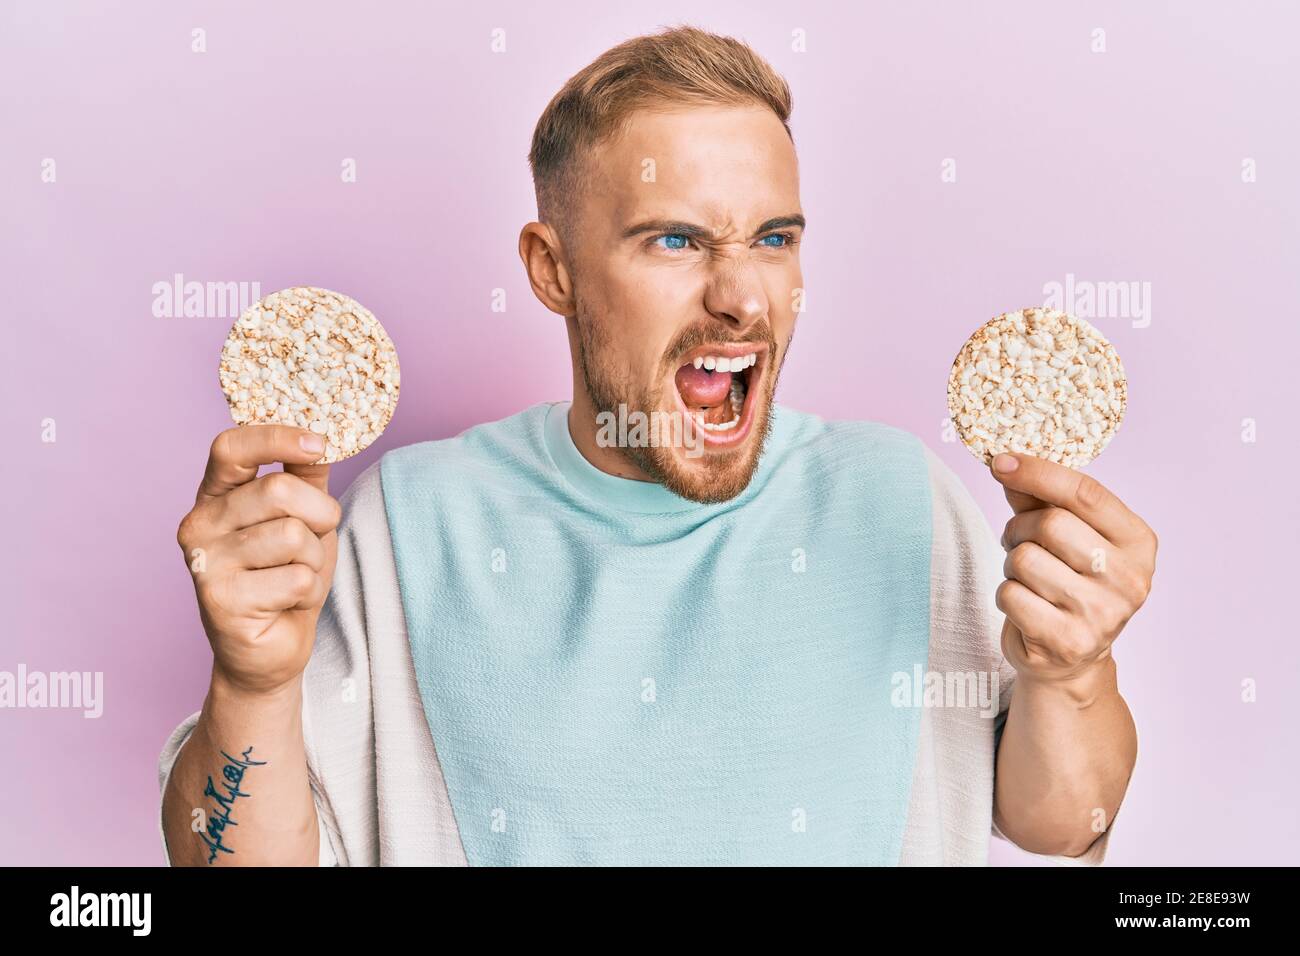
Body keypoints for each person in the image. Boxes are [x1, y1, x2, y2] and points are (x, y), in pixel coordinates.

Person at [159, 25, 1155, 866]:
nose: (741, 295)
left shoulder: (899, 499)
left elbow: (1061, 823)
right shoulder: (408, 523)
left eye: (772, 238)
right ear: (553, 270)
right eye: (674, 241)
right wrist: (251, 682)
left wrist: (1073, 673)